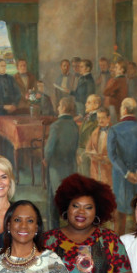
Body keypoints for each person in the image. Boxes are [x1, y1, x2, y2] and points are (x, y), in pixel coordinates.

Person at [107, 98, 137, 234]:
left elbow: (113, 156)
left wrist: (126, 173)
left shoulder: (114, 129)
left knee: (120, 212)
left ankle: (118, 243)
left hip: (121, 177)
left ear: (124, 110)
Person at [44, 96, 79, 230]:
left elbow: (49, 149)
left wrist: (46, 159)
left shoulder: (56, 126)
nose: (57, 108)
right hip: (70, 166)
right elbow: (75, 147)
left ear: (63, 107)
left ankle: (53, 230)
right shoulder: (74, 126)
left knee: (54, 199)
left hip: (56, 167)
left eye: (59, 105)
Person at [0, 58, 20, 162]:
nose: (4, 68)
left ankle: (10, 162)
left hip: (11, 113)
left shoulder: (11, 79)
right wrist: (3, 106)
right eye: (2, 66)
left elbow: (18, 94)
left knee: (10, 137)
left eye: (5, 66)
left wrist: (14, 105)